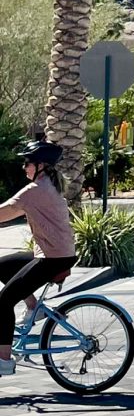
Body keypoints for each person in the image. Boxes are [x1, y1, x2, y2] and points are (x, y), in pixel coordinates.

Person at [0, 141, 77, 377]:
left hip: (54, 258)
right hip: (53, 253)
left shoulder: (35, 191)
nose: (24, 167)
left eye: (28, 163)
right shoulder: (45, 186)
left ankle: (3, 360)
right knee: (2, 267)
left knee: (3, 303)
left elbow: (4, 213)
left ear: (41, 166)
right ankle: (35, 307)